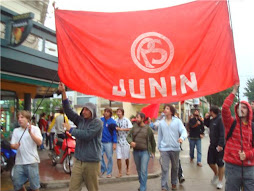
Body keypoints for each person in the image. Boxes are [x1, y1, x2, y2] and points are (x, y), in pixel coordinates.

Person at [58, 82, 103, 191]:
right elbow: (68, 111)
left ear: (93, 112)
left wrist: (71, 130)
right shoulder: (81, 120)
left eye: (87, 110)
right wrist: (63, 92)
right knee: (73, 188)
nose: (84, 111)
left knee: (92, 188)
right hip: (78, 161)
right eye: (84, 109)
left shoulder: (97, 123)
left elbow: (87, 135)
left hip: (91, 162)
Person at [222, 84, 254, 191]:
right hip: (232, 167)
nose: (242, 109)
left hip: (249, 168)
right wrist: (234, 90)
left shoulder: (252, 127)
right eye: (240, 106)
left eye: (245, 107)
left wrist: (247, 155)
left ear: (249, 111)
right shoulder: (231, 123)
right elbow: (225, 108)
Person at [10, 110, 42, 191]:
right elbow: (12, 145)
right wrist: (15, 146)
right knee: (17, 184)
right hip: (19, 162)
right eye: (18, 118)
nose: (19, 119)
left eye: (22, 117)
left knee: (35, 186)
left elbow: (39, 143)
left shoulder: (35, 129)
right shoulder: (16, 131)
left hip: (32, 162)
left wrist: (31, 133)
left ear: (28, 119)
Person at [158, 104, 187, 191]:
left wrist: (182, 138)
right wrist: (159, 147)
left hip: (175, 148)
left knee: (175, 167)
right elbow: (160, 136)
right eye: (164, 108)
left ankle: (174, 182)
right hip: (164, 149)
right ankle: (164, 185)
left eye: (167, 108)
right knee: (165, 168)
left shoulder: (177, 121)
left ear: (171, 111)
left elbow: (184, 131)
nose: (165, 110)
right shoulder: (161, 123)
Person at [126, 112, 156, 191]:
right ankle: (142, 183)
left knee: (143, 170)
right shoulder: (134, 127)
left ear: (142, 119)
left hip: (145, 152)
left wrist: (153, 151)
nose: (136, 119)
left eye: (138, 117)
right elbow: (128, 136)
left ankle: (143, 188)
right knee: (139, 170)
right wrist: (131, 142)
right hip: (136, 152)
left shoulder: (148, 128)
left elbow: (152, 141)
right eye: (136, 117)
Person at [204, 106, 225, 189]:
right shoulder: (212, 120)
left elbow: (222, 133)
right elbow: (206, 124)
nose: (209, 113)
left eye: (209, 112)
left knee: (220, 163)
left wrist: (220, 144)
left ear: (212, 111)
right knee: (210, 162)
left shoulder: (220, 120)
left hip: (219, 145)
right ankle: (216, 174)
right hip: (212, 144)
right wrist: (206, 118)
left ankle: (220, 181)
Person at [115, 108, 133, 177]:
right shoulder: (115, 121)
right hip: (118, 140)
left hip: (125, 140)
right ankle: (120, 172)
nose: (118, 113)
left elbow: (130, 128)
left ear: (122, 113)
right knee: (118, 157)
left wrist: (121, 129)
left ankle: (127, 168)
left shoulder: (126, 120)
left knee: (126, 157)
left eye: (119, 112)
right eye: (117, 112)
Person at [100, 107, 117, 178]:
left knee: (109, 157)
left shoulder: (112, 122)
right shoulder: (101, 120)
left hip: (108, 142)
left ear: (110, 113)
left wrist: (114, 143)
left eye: (107, 112)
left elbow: (114, 133)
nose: (105, 113)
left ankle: (109, 172)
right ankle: (103, 168)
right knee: (99, 156)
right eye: (105, 111)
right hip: (100, 141)